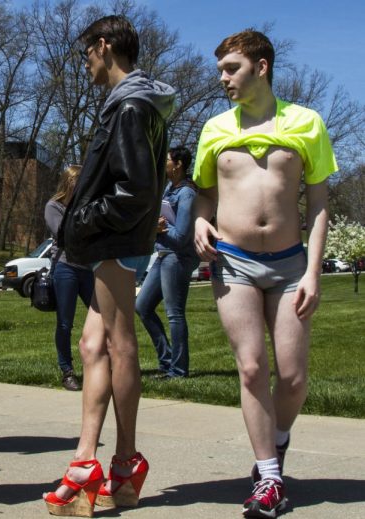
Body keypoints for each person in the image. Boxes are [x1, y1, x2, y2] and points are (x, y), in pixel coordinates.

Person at [193, 30, 336, 518]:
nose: (223, 79)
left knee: (293, 378)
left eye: (231, 68)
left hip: (291, 263)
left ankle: (276, 442)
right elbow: (204, 193)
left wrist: (314, 271)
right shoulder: (214, 129)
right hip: (233, 260)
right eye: (220, 71)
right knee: (252, 366)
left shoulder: (306, 123)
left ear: (262, 67)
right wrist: (198, 218)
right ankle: (269, 479)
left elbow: (318, 204)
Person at [43, 16, 175, 516]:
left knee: (119, 345)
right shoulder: (136, 103)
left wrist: (80, 219)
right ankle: (86, 460)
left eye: (86, 54)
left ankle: (123, 460)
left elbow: (135, 190)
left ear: (104, 46)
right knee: (91, 342)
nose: (85, 64)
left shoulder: (130, 105)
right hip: (115, 241)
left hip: (116, 240)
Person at [135, 146, 198, 379]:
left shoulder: (187, 194)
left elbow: (181, 236)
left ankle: (179, 370)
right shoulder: (170, 190)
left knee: (174, 313)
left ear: (179, 164)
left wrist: (162, 228)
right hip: (163, 255)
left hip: (177, 257)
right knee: (141, 306)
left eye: (167, 161)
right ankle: (167, 360)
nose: (164, 165)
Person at [44, 165, 93, 392]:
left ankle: (102, 364)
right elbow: (64, 236)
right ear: (69, 183)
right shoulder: (53, 206)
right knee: (65, 322)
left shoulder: (88, 206)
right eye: (78, 183)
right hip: (65, 267)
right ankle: (67, 371)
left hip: (88, 268)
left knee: (102, 317)